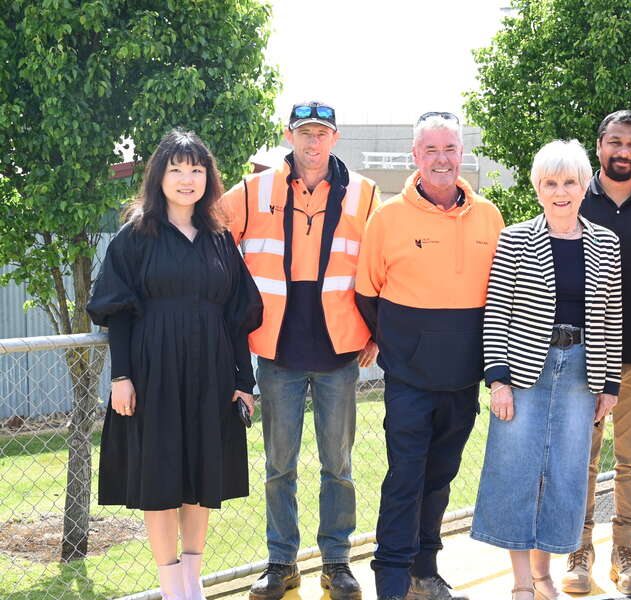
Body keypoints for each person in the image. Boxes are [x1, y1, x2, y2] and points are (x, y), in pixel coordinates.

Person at [88, 129, 263, 600]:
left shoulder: (220, 239)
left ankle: (193, 584)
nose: (187, 179)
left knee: (199, 476)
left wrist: (244, 383)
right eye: (176, 169)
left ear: (209, 177)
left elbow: (238, 317)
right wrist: (121, 377)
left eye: (197, 169)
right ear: (159, 176)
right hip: (152, 371)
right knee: (160, 475)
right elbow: (118, 313)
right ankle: (171, 589)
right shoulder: (135, 236)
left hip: (211, 371)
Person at [220, 101, 381, 600]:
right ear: (288, 136)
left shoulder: (365, 192)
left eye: (322, 134)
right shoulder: (255, 189)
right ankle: (281, 562)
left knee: (339, 466)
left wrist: (376, 330)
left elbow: (379, 264)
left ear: (336, 138)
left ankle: (336, 561)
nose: (313, 143)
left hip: (339, 348)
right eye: (304, 133)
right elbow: (210, 232)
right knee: (279, 466)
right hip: (277, 349)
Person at [355, 111, 505, 600]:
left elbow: (500, 294)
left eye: (450, 149)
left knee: (440, 479)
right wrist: (396, 343)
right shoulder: (388, 218)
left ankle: (425, 573)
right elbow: (367, 291)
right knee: (405, 480)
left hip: (463, 380)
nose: (442, 159)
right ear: (415, 157)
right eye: (431, 150)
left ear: (462, 153)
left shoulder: (489, 216)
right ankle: (393, 583)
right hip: (410, 381)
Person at [470, 139, 623, 600]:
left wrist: (609, 384)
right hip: (523, 372)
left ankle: (543, 577)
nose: (561, 192)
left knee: (565, 473)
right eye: (551, 183)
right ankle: (520, 583)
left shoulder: (607, 243)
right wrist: (498, 380)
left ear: (584, 186)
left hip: (582, 372)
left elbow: (611, 315)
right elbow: (497, 312)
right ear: (538, 188)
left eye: (570, 182)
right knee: (515, 469)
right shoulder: (515, 239)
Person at [562, 111, 631, 596]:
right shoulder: (574, 199)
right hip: (584, 354)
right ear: (599, 145)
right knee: (579, 458)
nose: (624, 152)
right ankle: (576, 549)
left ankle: (625, 552)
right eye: (615, 142)